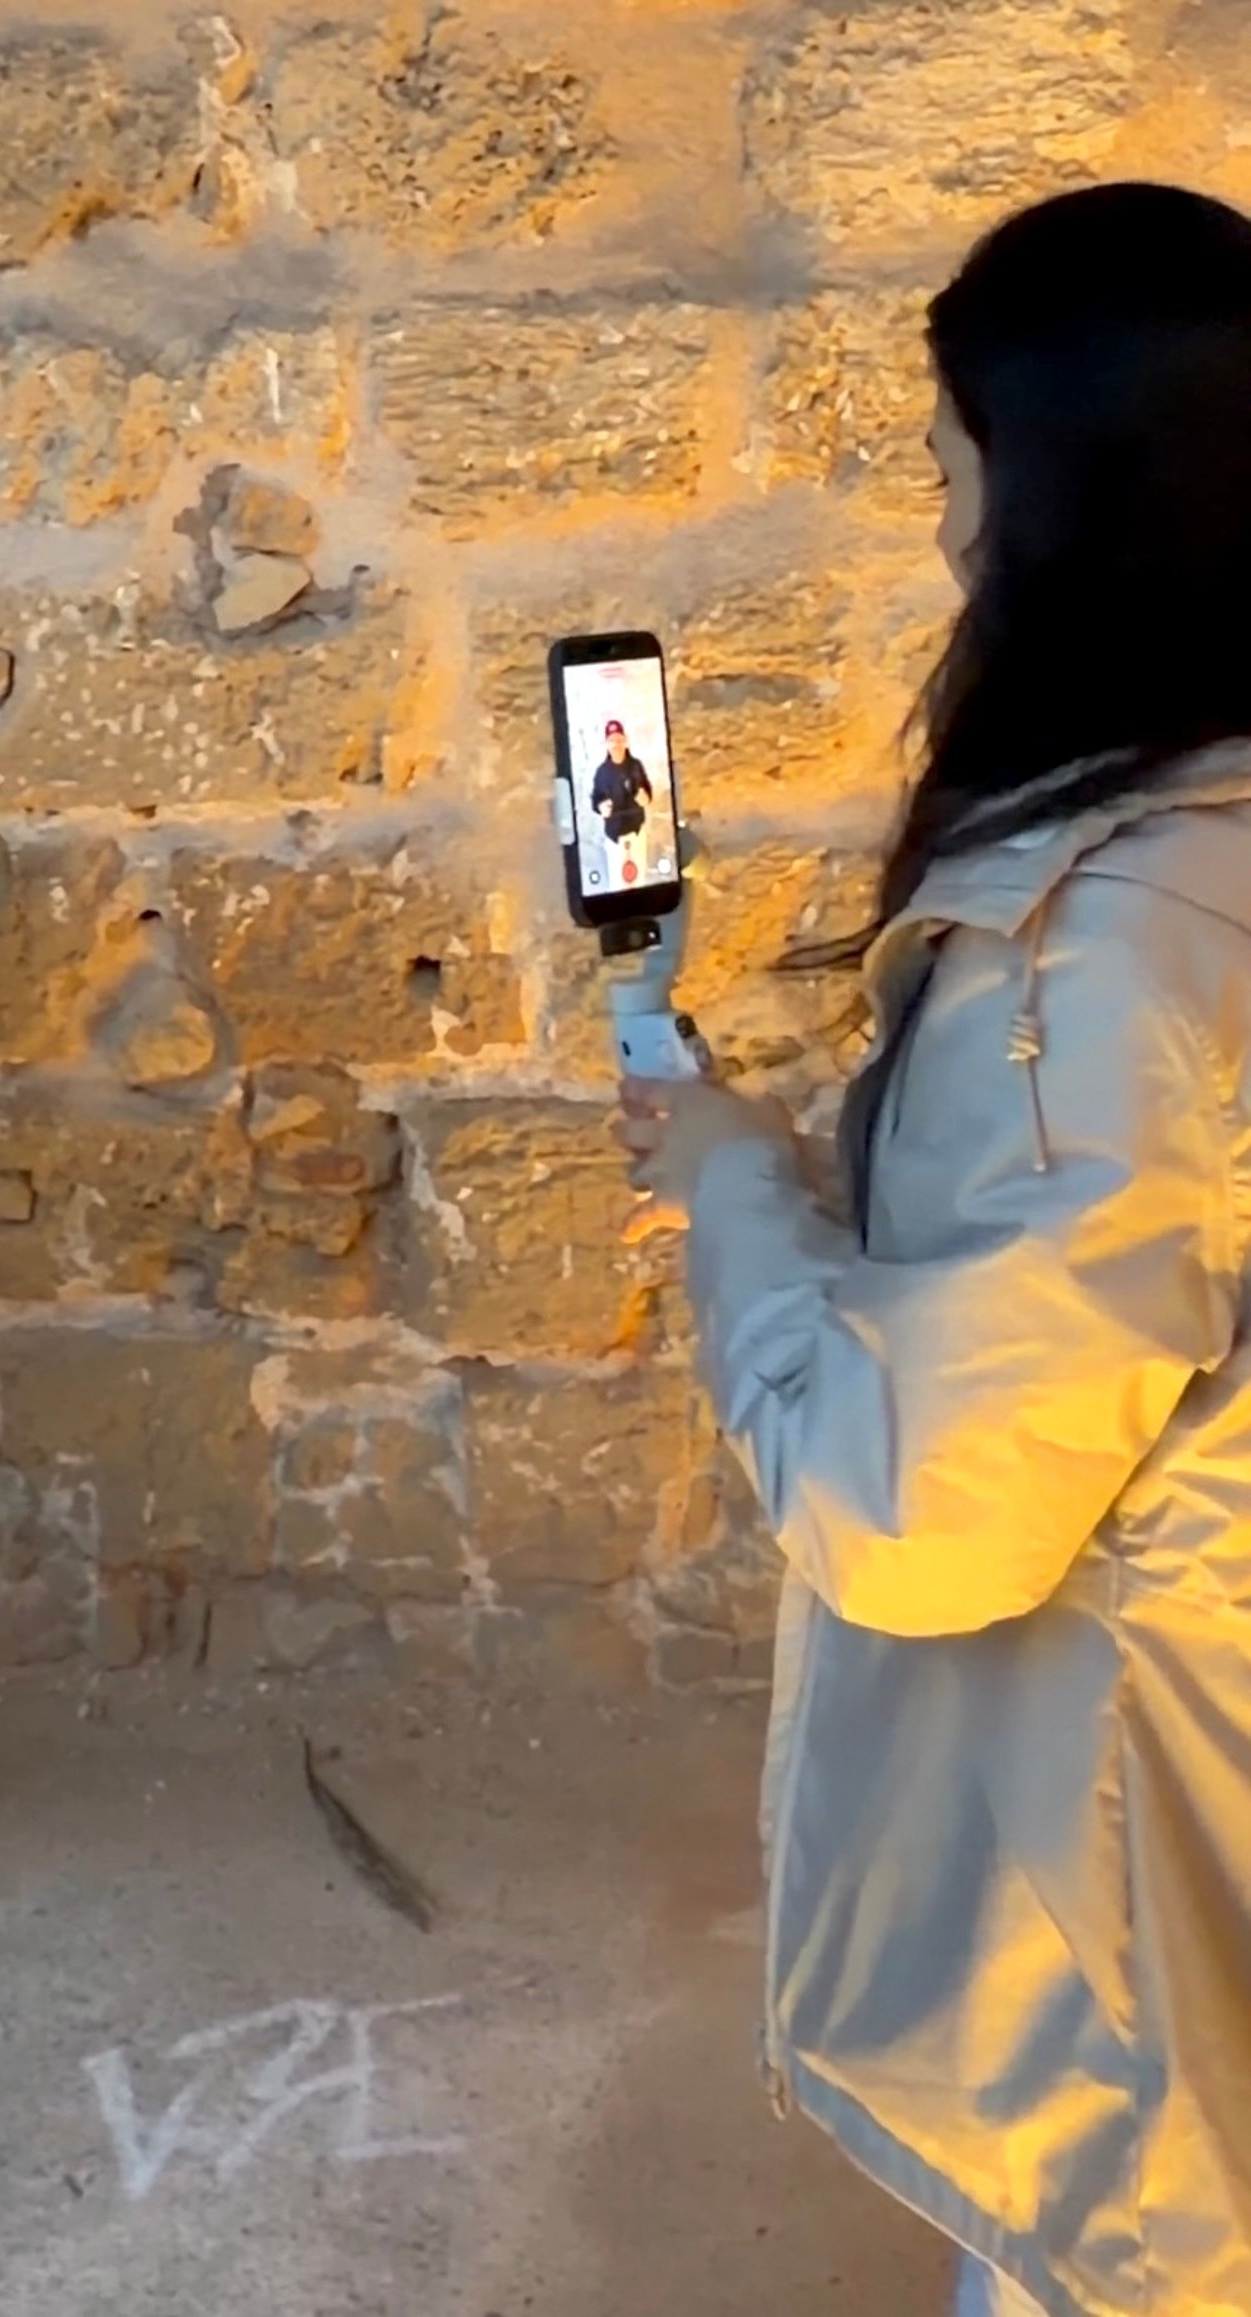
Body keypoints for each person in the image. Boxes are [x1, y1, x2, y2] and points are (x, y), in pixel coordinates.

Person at [620, 183, 1251, 2315]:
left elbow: (919, 1512)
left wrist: (726, 1176)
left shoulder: (1098, 961)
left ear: (1078, 493)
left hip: (1154, 1905)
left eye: (954, 464)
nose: (947, 531)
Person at [590, 719, 652, 843]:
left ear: (625, 742)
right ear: (606, 745)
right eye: (611, 741)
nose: (615, 745)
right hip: (613, 836)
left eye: (619, 740)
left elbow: (648, 792)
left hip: (637, 832)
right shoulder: (601, 772)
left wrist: (646, 798)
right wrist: (600, 807)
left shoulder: (636, 766)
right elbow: (595, 800)